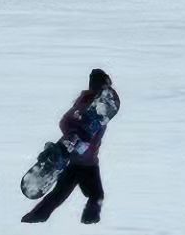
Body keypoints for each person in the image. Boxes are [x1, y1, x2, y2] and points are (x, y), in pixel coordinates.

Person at [22, 69, 119, 225]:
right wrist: (75, 134)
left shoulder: (97, 104)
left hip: (80, 159)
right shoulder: (87, 102)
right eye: (106, 83)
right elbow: (66, 121)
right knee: (95, 195)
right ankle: (90, 224)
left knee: (61, 193)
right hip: (85, 161)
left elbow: (71, 122)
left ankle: (37, 216)